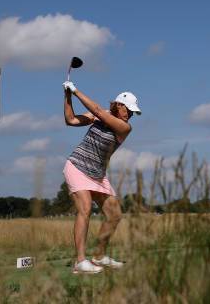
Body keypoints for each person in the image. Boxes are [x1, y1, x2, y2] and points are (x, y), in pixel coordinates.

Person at [62, 80, 141, 274]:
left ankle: (99, 255)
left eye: (132, 112)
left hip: (98, 175)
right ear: (119, 105)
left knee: (114, 215)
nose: (130, 114)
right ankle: (80, 262)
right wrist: (68, 96)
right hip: (77, 166)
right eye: (128, 110)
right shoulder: (100, 116)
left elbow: (98, 111)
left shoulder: (124, 127)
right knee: (85, 208)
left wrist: (76, 90)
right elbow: (70, 120)